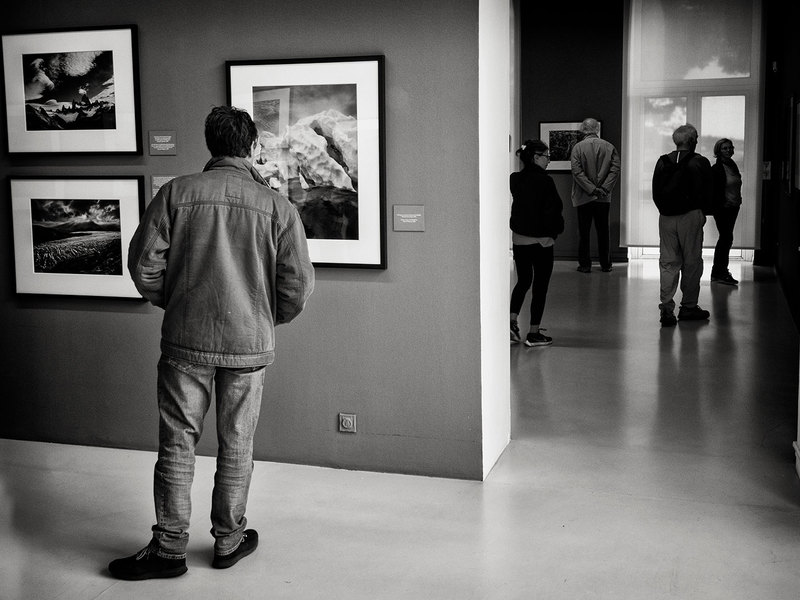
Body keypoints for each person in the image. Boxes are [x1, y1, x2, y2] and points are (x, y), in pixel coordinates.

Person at [109, 106, 315, 580]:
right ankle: (228, 540)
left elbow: (142, 265)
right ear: (251, 146)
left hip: (186, 339)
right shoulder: (278, 207)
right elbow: (299, 286)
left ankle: (169, 548)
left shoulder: (176, 193)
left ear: (211, 144)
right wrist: (264, 317)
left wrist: (175, 301)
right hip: (249, 344)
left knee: (177, 442)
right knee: (237, 444)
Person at [651, 123, 712, 327]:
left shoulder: (662, 161)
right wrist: (703, 212)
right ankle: (688, 306)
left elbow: (655, 191)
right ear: (692, 141)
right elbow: (707, 191)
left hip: (666, 217)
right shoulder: (699, 161)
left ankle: (666, 308)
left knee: (668, 262)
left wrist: (664, 209)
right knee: (692, 262)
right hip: (690, 215)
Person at [509, 139, 565, 347]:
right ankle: (533, 333)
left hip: (519, 240)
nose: (548, 160)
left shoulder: (515, 179)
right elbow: (554, 210)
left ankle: (511, 323)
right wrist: (555, 232)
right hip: (542, 242)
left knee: (523, 281)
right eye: (546, 156)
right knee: (540, 287)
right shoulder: (545, 181)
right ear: (535, 157)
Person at [570, 117, 620, 273]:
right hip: (603, 198)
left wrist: (591, 189)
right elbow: (615, 170)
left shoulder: (577, 148)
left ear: (583, 129)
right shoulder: (609, 147)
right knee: (603, 231)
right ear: (597, 129)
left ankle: (585, 265)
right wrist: (604, 188)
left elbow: (577, 172)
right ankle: (606, 264)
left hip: (583, 196)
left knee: (583, 233)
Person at [710, 138, 742, 285]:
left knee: (727, 239)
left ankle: (720, 272)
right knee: (725, 239)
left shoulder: (732, 165)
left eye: (730, 147)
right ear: (719, 151)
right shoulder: (716, 169)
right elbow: (713, 191)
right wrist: (720, 204)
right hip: (723, 208)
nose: (728, 150)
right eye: (725, 148)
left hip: (734, 207)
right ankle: (719, 272)